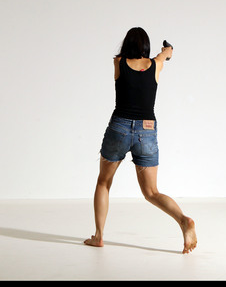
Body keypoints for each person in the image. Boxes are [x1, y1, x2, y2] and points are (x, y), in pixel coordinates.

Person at [84, 27, 197, 254]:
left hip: (120, 127)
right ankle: (184, 220)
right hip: (147, 130)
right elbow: (164, 55)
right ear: (146, 45)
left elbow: (129, 64)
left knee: (104, 182)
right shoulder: (156, 65)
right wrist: (167, 51)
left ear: (127, 44)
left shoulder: (118, 63)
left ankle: (99, 237)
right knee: (151, 192)